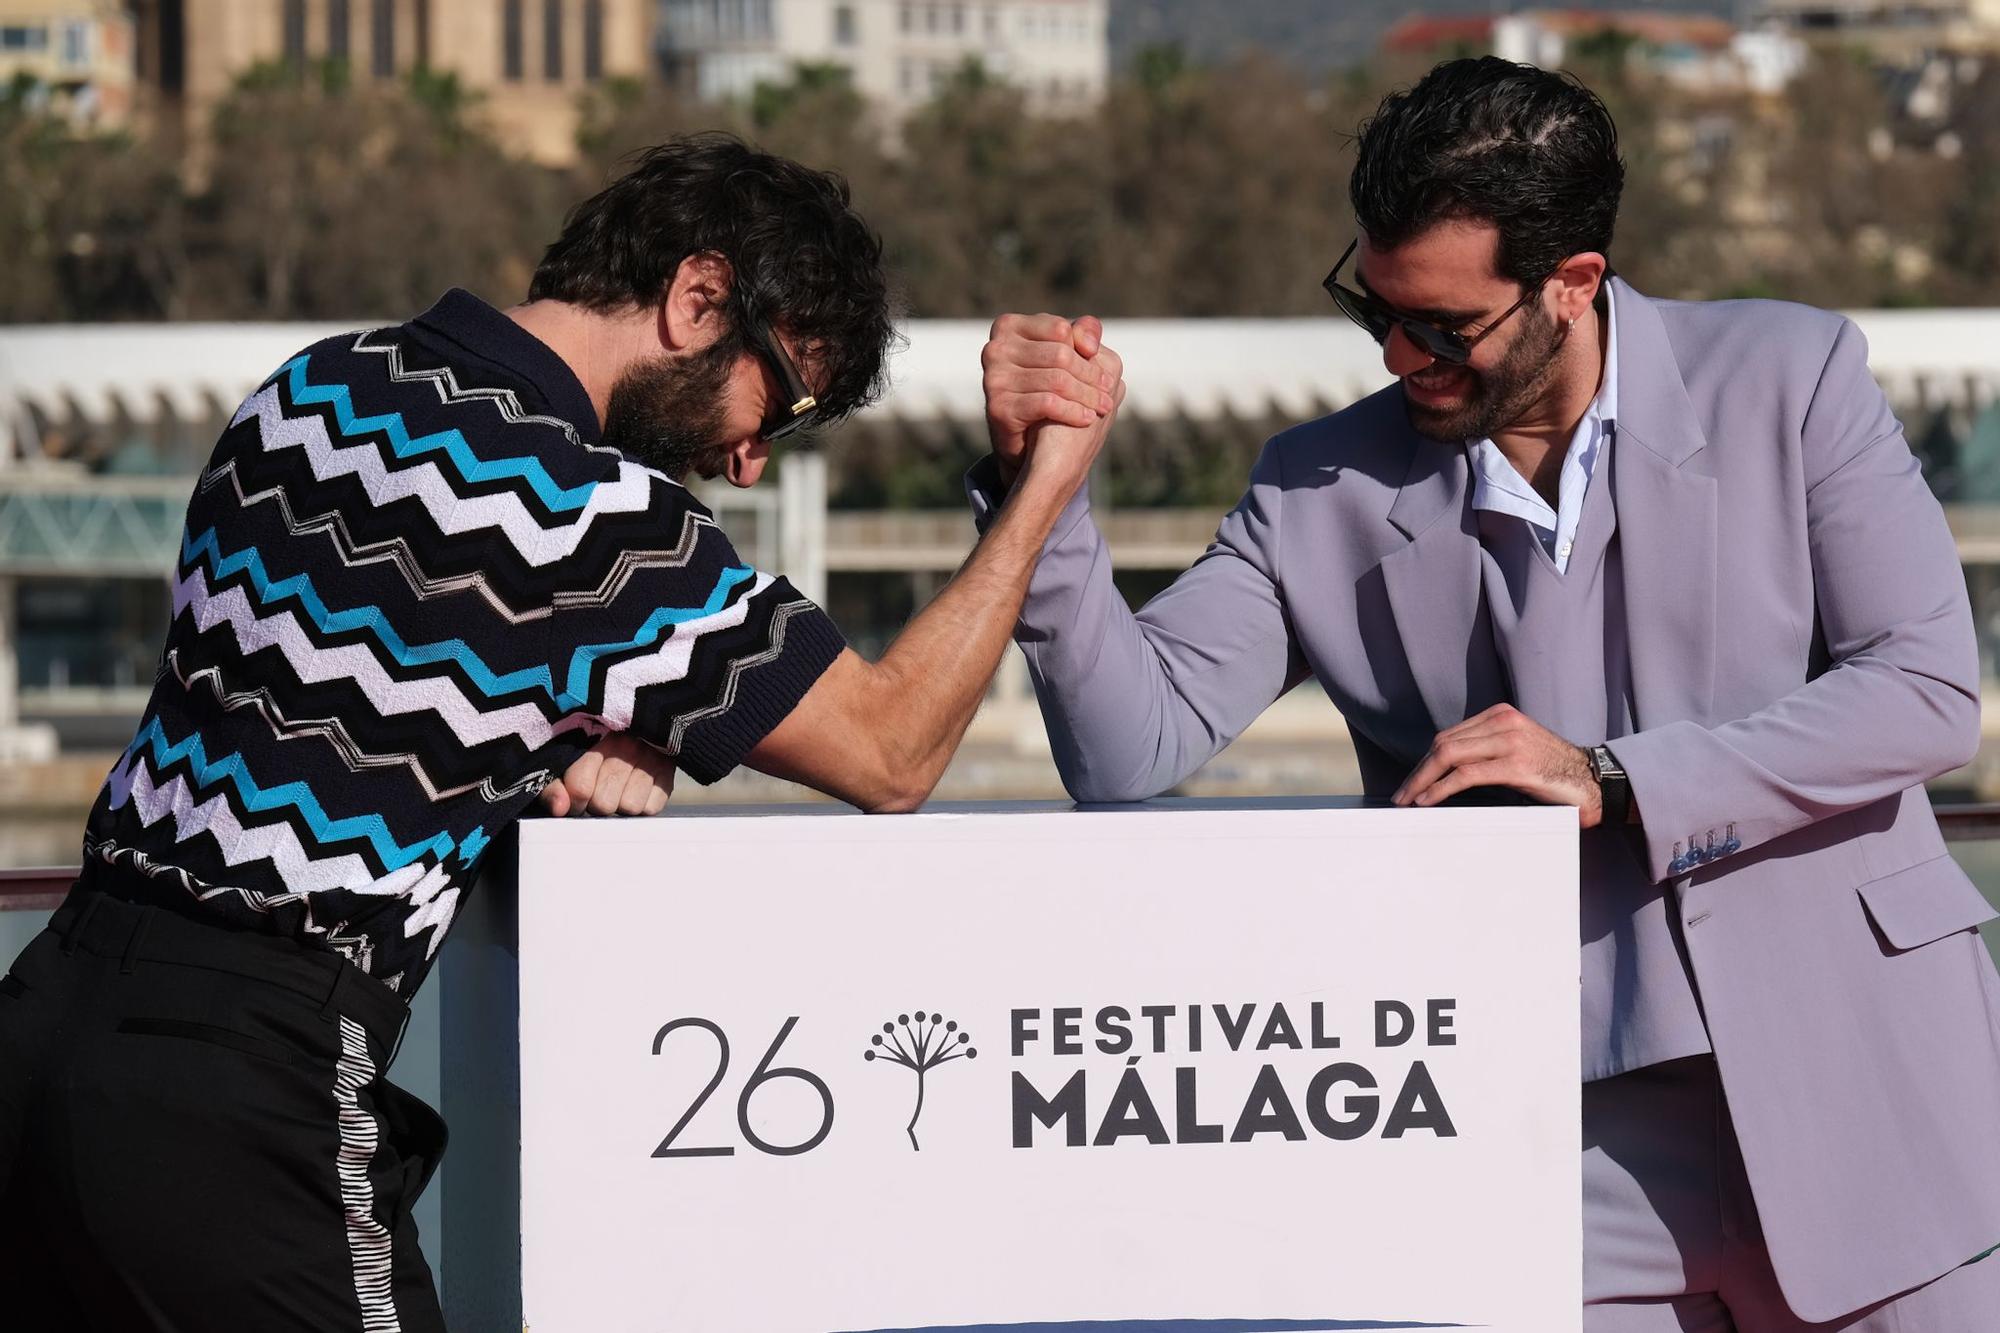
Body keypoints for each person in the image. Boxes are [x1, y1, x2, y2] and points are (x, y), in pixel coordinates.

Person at [0, 133, 1123, 1331]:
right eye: (779, 402)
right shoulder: (594, 519)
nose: (746, 461)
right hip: (244, 1087)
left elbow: (384, 682)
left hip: (45, 1024)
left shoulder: (305, 391)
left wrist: (605, 715)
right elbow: (892, 751)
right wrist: (1042, 486)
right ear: (699, 300)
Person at [976, 57, 2000, 1331]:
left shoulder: (1792, 377)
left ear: (1573, 284)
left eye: (1444, 327)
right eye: (1376, 311)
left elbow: (1919, 691)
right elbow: (1130, 745)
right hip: (1541, 1144)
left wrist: (1615, 774)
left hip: (1873, 1093)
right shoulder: (1314, 485)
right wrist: (1044, 495)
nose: (1401, 353)